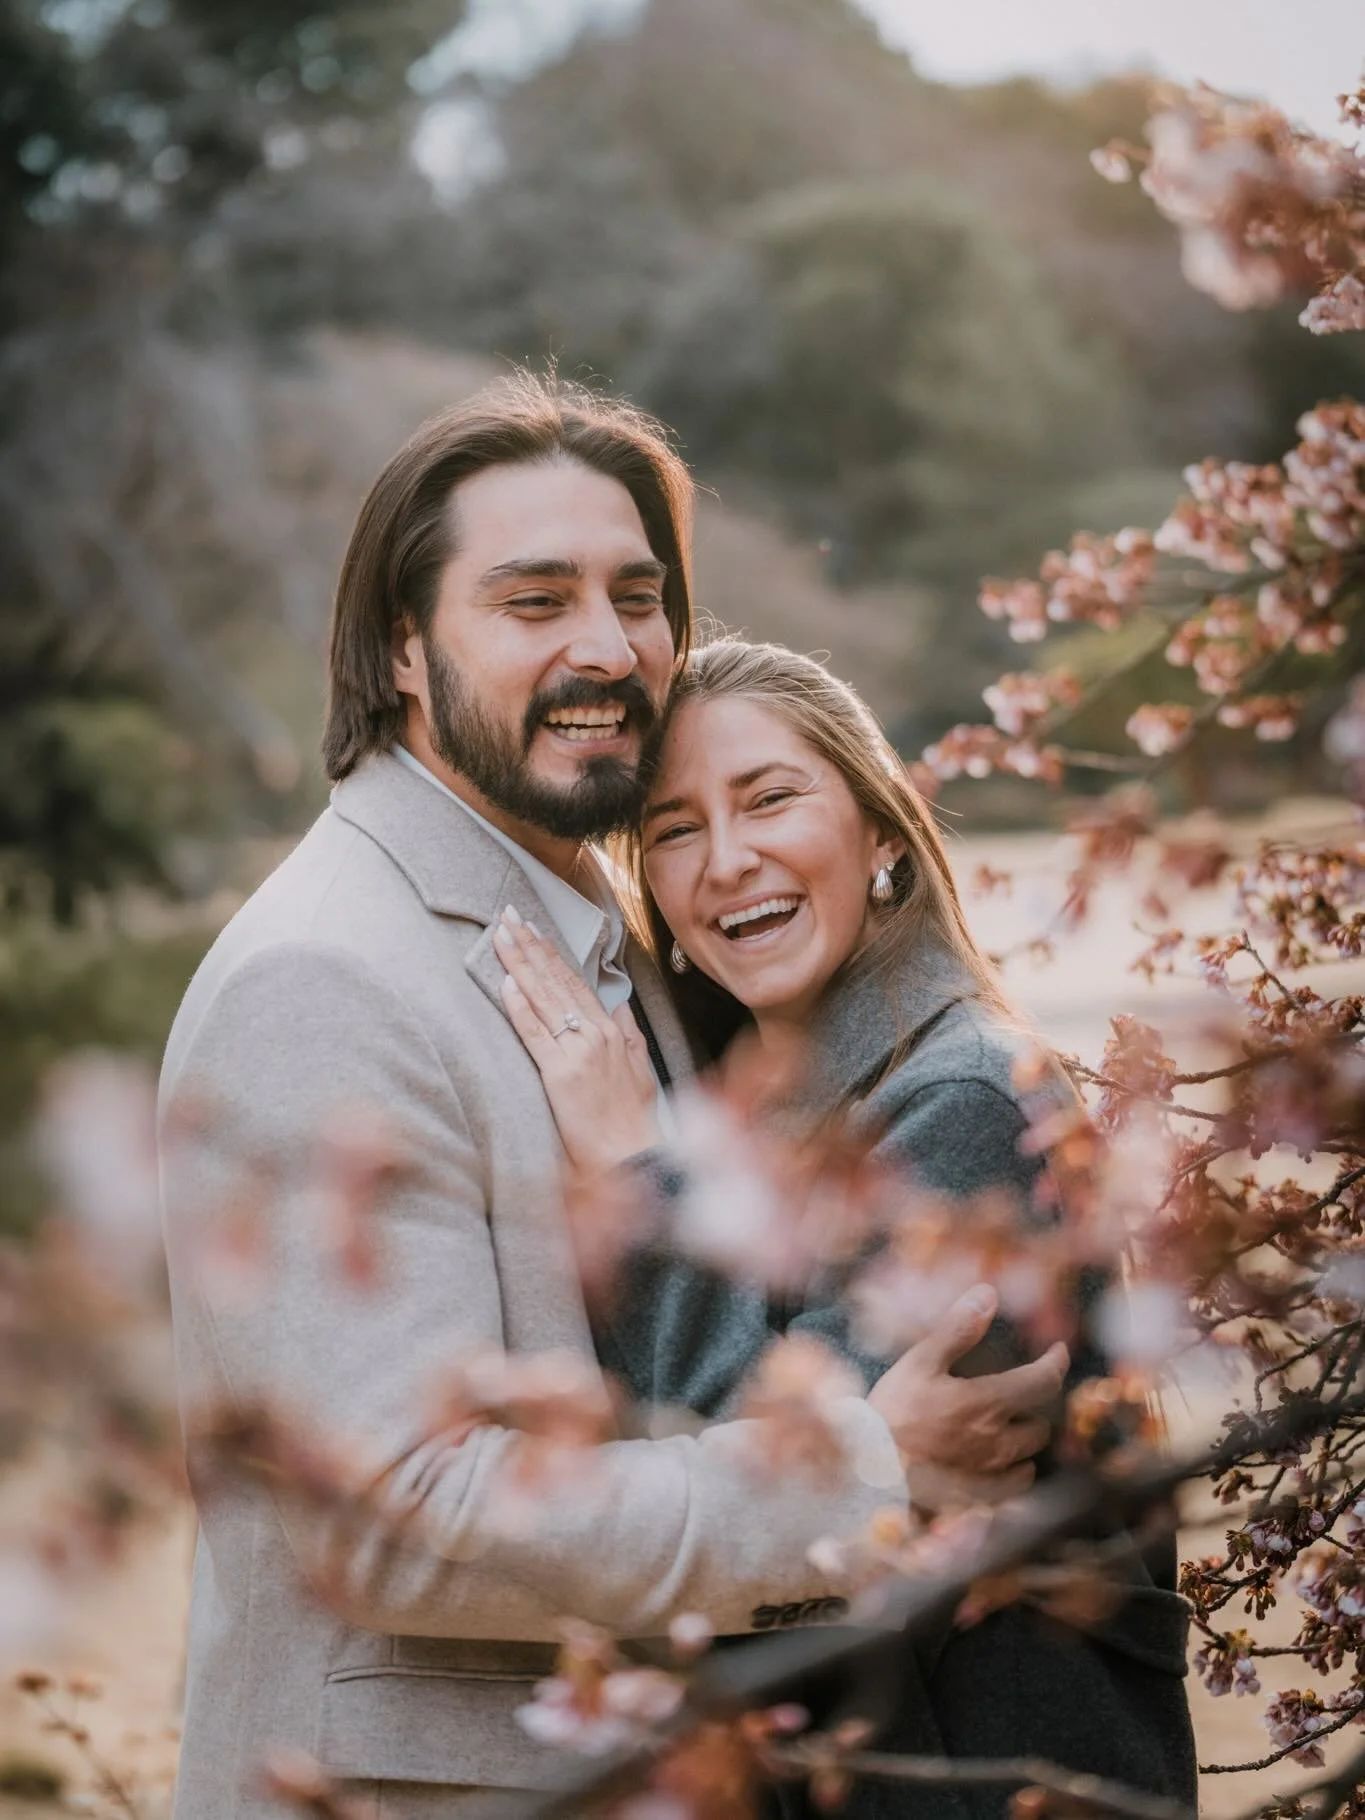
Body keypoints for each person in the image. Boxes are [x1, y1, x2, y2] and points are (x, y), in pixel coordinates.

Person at [157, 380, 1067, 1820]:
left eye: (637, 597)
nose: (606, 646)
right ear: (401, 648)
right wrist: (864, 1470)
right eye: (535, 600)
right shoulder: (325, 978)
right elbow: (401, 1523)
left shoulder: (597, 923)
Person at [495, 637, 1199, 1819]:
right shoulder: (732, 1099)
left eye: (770, 797)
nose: (728, 859)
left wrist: (636, 1179)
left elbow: (784, 1506)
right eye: (674, 829)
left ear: (882, 833)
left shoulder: (965, 1097)